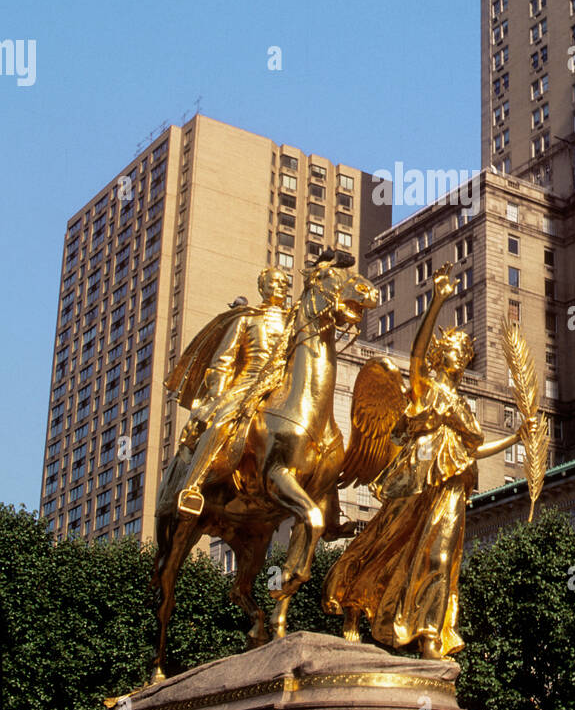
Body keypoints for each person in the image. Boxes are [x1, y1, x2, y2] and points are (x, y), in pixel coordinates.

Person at [323, 264, 522, 658]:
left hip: (451, 485)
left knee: (442, 556)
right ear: (438, 355)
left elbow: (472, 451)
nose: (457, 356)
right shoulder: (424, 387)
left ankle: (431, 633)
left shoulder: (462, 407)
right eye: (450, 350)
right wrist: (437, 301)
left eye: (461, 354)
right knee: (385, 541)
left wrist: (516, 438)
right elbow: (415, 354)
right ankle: (353, 602)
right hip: (416, 481)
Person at [164, 266, 294, 517]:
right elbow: (223, 359)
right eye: (273, 282)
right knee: (222, 422)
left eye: (283, 283)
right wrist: (217, 396)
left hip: (282, 387)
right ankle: (193, 486)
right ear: (262, 288)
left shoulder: (295, 322)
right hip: (246, 384)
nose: (279, 287)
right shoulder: (246, 319)